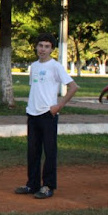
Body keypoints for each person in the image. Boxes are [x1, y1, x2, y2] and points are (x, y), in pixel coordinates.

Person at [14, 33, 79, 199]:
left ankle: (48, 186)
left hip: (47, 115)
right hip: (33, 114)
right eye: (40, 45)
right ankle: (32, 184)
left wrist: (58, 106)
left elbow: (73, 87)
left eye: (47, 46)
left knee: (49, 151)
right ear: (36, 47)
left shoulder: (55, 66)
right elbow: (36, 89)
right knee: (33, 151)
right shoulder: (34, 66)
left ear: (52, 49)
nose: (43, 49)